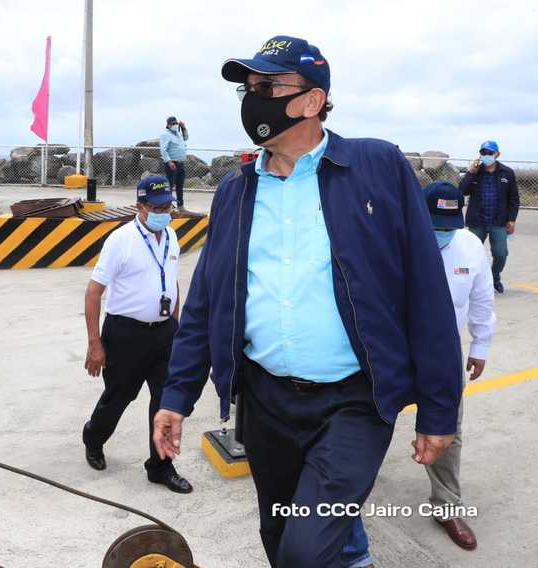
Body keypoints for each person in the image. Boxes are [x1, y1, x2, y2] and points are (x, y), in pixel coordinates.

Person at [152, 35, 463, 567]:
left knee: (304, 551)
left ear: (313, 100)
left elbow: (427, 294)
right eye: (249, 89)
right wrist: (176, 395)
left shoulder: (378, 166)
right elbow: (204, 301)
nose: (253, 99)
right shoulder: (234, 192)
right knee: (277, 534)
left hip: (354, 402)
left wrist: (439, 409)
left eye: (268, 86)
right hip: (266, 402)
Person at [346, 182, 496, 562]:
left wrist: (480, 345)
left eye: (448, 226)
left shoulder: (470, 247)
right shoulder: (391, 241)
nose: (441, 233)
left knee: (448, 431)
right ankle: (344, 504)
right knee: (364, 424)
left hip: (442, 356)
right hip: (390, 353)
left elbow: (481, 299)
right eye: (435, 225)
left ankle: (447, 505)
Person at [82, 175, 192, 494]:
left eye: (167, 207)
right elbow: (93, 293)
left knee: (166, 401)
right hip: (125, 334)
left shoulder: (171, 236)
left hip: (164, 334)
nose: (163, 213)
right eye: (156, 208)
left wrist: (176, 327)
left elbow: (171, 281)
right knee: (119, 397)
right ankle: (93, 438)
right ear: (139, 207)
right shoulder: (120, 240)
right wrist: (95, 343)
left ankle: (160, 467)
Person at [459, 140, 520, 294]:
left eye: (490, 153)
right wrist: (470, 172)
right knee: (469, 254)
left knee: (501, 254)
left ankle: (494, 278)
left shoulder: (507, 173)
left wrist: (512, 219)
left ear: (497, 154)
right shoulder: (475, 172)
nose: (486, 155)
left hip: (498, 222)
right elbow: (462, 191)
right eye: (483, 153)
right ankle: (470, 282)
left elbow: (514, 198)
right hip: (477, 221)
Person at [159, 116, 189, 210]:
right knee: (169, 186)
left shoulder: (178, 133)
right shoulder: (165, 134)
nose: (175, 125)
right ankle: (168, 206)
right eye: (173, 124)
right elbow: (163, 150)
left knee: (180, 186)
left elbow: (186, 138)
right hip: (172, 164)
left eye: (176, 123)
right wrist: (169, 161)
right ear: (168, 125)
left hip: (180, 163)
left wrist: (183, 128)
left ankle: (180, 206)